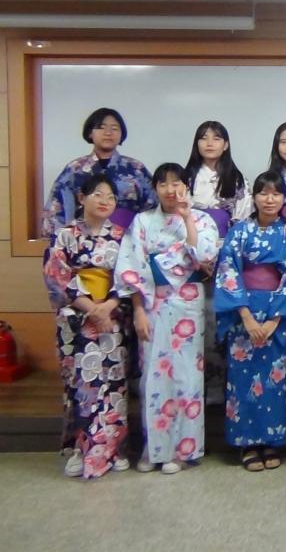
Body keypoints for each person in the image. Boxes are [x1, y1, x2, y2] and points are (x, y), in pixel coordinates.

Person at [114, 163, 220, 475]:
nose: (171, 190)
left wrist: (187, 219)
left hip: (187, 301)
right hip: (152, 301)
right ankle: (154, 448)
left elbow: (205, 257)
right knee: (152, 374)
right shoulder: (143, 221)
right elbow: (132, 268)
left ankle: (183, 450)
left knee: (187, 375)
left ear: (187, 187)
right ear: (155, 188)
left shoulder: (202, 219)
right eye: (164, 184)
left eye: (177, 184)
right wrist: (137, 310)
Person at [214, 171, 286, 472]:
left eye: (276, 194)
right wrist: (245, 316)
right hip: (244, 311)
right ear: (254, 197)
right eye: (263, 193)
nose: (269, 199)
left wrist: (274, 320)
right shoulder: (239, 231)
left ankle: (273, 440)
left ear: (283, 198)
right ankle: (247, 443)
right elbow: (228, 271)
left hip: (277, 315)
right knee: (243, 378)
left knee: (275, 380)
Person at [43, 175, 131, 479]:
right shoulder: (65, 235)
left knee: (114, 384)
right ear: (81, 198)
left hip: (111, 317)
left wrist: (109, 305)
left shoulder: (121, 236)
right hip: (77, 318)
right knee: (81, 384)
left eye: (111, 197)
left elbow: (130, 276)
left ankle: (114, 447)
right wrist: (91, 308)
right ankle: (81, 449)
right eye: (97, 194)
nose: (105, 201)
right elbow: (56, 276)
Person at [183, 120, 253, 406]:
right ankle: (191, 391)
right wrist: (199, 258)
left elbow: (242, 224)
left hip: (226, 261)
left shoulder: (236, 180)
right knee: (192, 325)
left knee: (222, 323)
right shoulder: (185, 178)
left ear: (226, 144)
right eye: (203, 137)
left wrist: (221, 258)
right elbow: (176, 222)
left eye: (216, 137)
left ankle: (221, 391)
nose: (209, 142)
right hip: (189, 261)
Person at [42, 107, 157, 237]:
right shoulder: (74, 169)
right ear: (90, 133)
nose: (108, 133)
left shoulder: (136, 169)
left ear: (121, 134)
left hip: (128, 240)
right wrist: (60, 240)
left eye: (114, 128)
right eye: (101, 127)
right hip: (82, 242)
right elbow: (57, 209)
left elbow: (153, 208)